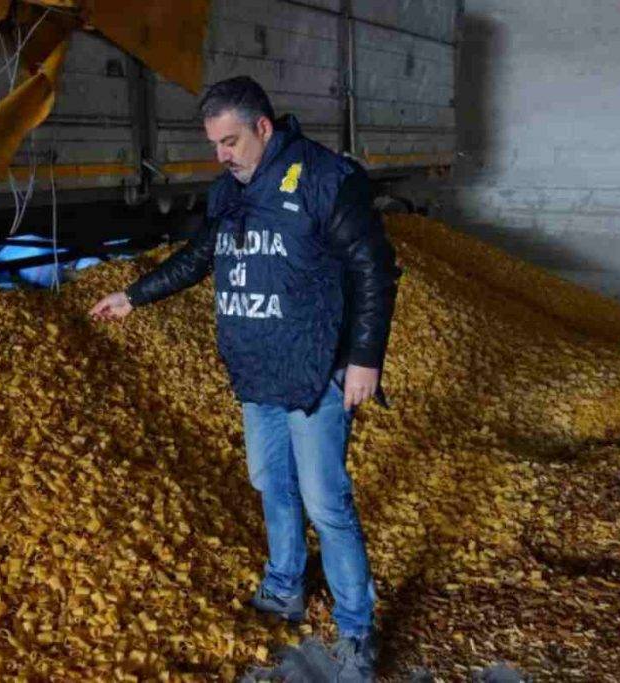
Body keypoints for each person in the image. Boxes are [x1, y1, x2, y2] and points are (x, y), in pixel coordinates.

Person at [88, 75, 402, 682]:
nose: (221, 154)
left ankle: (357, 629)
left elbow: (374, 269)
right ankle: (284, 585)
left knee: (327, 503)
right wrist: (135, 295)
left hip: (316, 371)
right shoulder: (227, 190)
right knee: (270, 483)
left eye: (230, 141)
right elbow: (201, 256)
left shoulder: (323, 179)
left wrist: (365, 357)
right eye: (214, 144)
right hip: (257, 371)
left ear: (262, 127)